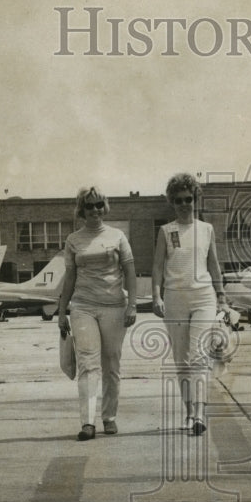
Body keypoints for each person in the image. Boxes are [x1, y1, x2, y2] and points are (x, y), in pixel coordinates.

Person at [58, 187, 138, 441]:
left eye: (98, 205)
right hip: (82, 307)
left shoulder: (118, 236)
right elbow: (69, 278)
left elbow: (130, 271)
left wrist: (132, 304)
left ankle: (109, 417)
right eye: (89, 206)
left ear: (104, 208)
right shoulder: (73, 240)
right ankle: (87, 422)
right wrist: (62, 312)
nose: (94, 210)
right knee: (88, 363)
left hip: (114, 306)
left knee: (111, 364)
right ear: (81, 210)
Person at [151, 173, 227, 436]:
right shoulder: (166, 231)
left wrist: (222, 296)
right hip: (175, 298)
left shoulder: (206, 230)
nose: (185, 204)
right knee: (181, 360)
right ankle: (188, 412)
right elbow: (157, 267)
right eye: (179, 200)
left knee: (199, 356)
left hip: (204, 297)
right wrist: (156, 296)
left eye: (189, 199)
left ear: (196, 200)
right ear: (172, 202)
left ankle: (198, 414)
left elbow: (214, 264)